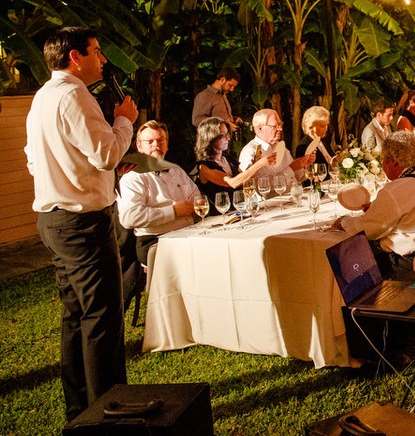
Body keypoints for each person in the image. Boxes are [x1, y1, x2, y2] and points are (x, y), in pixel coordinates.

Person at [25, 27, 138, 421]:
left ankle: (81, 410)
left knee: (76, 317)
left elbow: (33, 158)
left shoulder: (42, 97)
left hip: (54, 219)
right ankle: (110, 411)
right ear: (76, 57)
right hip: (82, 223)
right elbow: (106, 153)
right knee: (102, 319)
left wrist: (76, 176)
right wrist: (124, 121)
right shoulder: (75, 95)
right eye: (96, 51)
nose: (103, 59)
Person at [340, 131, 415, 277]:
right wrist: (377, 210)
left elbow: (367, 230)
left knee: (350, 251)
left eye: (383, 159)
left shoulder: (396, 189)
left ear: (394, 161)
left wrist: (344, 221)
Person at [118, 121, 201, 264]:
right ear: (139, 146)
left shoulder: (177, 171)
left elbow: (197, 198)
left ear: (167, 145)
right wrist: (173, 211)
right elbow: (129, 218)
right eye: (150, 141)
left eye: (161, 140)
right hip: (156, 240)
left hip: (189, 234)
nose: (156, 145)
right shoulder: (132, 177)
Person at [195, 117, 275, 201]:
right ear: (210, 138)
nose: (228, 138)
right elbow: (233, 183)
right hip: (220, 209)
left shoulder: (229, 159)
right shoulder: (204, 167)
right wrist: (259, 164)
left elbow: (242, 183)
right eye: (222, 135)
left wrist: (255, 163)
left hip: (239, 206)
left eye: (227, 134)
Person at [239, 108, 315, 181]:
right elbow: (258, 185)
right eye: (275, 126)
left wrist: (305, 164)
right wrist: (292, 168)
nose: (280, 129)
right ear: (260, 128)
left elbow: (297, 178)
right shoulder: (249, 151)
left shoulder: (280, 146)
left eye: (280, 125)